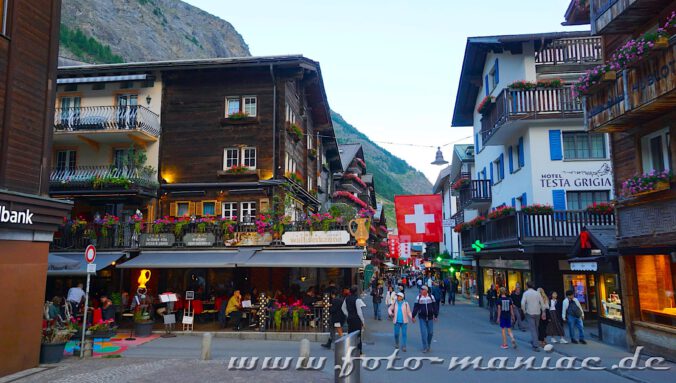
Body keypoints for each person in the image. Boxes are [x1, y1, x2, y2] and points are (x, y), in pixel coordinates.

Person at [521, 281, 546, 351]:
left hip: (529, 312)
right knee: (536, 327)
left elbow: (522, 303)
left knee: (533, 329)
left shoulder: (525, 293)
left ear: (527, 286)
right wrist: (543, 312)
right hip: (537, 312)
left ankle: (535, 345)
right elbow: (542, 303)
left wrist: (524, 310)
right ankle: (535, 341)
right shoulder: (537, 293)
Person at [412, 285, 438, 353]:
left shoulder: (431, 297)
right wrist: (413, 316)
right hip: (422, 318)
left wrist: (435, 315)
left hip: (430, 317)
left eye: (423, 289)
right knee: (424, 333)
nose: (421, 291)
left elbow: (435, 306)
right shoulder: (418, 297)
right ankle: (425, 347)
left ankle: (428, 344)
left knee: (430, 332)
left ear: (426, 290)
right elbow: (415, 307)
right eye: (421, 289)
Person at [342, 286, 366, 355]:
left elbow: (343, 308)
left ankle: (349, 350)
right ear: (356, 292)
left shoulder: (346, 299)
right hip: (356, 319)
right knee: (358, 335)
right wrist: (363, 321)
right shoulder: (357, 300)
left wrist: (348, 314)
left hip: (350, 319)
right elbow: (359, 312)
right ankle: (359, 351)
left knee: (350, 334)